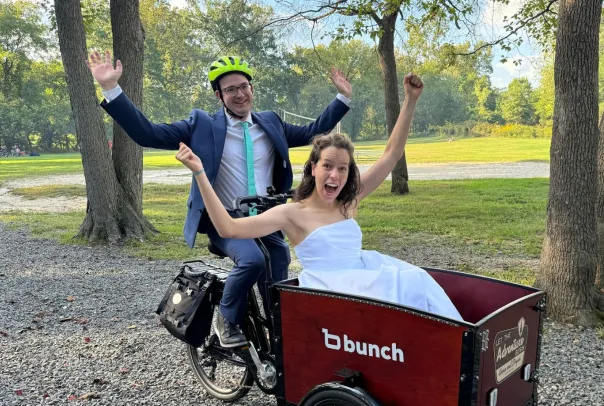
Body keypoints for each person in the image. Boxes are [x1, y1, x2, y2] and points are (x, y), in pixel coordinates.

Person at [87, 51, 353, 347]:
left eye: (244, 87)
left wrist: (342, 98)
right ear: (219, 95)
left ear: (252, 88)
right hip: (224, 220)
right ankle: (226, 317)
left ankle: (279, 331)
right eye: (230, 90)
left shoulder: (271, 122)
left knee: (279, 265)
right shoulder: (201, 125)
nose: (240, 94)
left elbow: (312, 132)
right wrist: (111, 88)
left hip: (265, 219)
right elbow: (147, 133)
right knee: (251, 261)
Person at [176, 73, 463, 321]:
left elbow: (390, 155)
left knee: (416, 282)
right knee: (401, 291)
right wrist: (200, 173)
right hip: (330, 286)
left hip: (363, 272)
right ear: (313, 168)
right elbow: (228, 228)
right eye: (327, 166)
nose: (335, 176)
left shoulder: (349, 201)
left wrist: (410, 100)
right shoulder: (292, 213)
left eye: (342, 169)